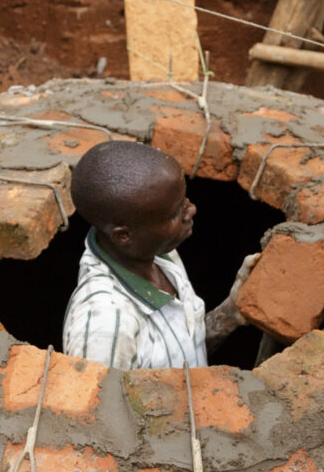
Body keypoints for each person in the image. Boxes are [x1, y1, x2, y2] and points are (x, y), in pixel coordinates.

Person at [60, 139, 253, 370]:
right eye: (174, 213)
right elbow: (101, 404)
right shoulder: (108, 327)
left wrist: (230, 312)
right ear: (124, 236)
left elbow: (183, 351)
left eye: (184, 200)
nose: (191, 210)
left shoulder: (159, 252)